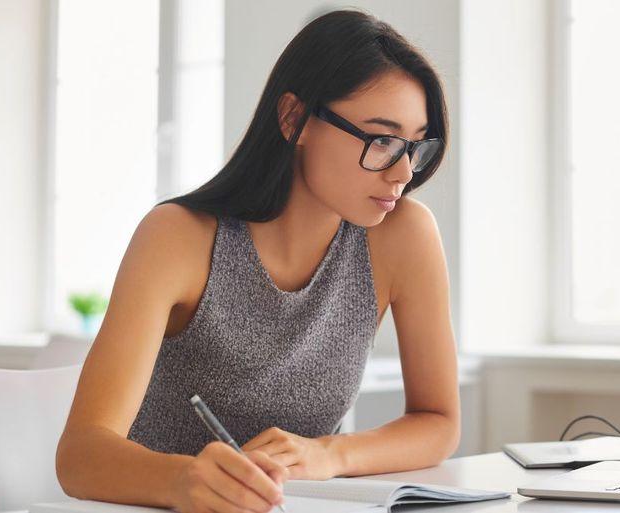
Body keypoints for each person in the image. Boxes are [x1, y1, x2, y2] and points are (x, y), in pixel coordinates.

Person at [55, 9, 460, 513]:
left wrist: (327, 455)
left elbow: (438, 422)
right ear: (295, 119)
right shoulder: (177, 238)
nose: (402, 172)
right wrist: (186, 481)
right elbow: (80, 455)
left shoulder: (404, 235)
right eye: (380, 140)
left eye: (414, 145)